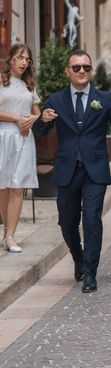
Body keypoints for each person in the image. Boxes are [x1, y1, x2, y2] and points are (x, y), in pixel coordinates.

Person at [33, 50, 111, 293]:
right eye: (76, 67)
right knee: (67, 223)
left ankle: (90, 272)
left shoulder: (105, 99)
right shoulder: (55, 100)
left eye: (86, 68)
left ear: (91, 71)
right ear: (68, 71)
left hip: (95, 170)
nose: (81, 72)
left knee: (91, 220)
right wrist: (43, 120)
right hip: (67, 170)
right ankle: (78, 257)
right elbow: (39, 131)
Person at [0, 44, 41, 253]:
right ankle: (7, 230)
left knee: (17, 187)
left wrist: (29, 121)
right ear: (11, 60)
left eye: (28, 59)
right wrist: (17, 118)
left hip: (23, 138)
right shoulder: (1, 81)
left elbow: (37, 112)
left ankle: (10, 236)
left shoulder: (29, 86)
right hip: (3, 136)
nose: (25, 62)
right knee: (3, 187)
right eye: (21, 58)